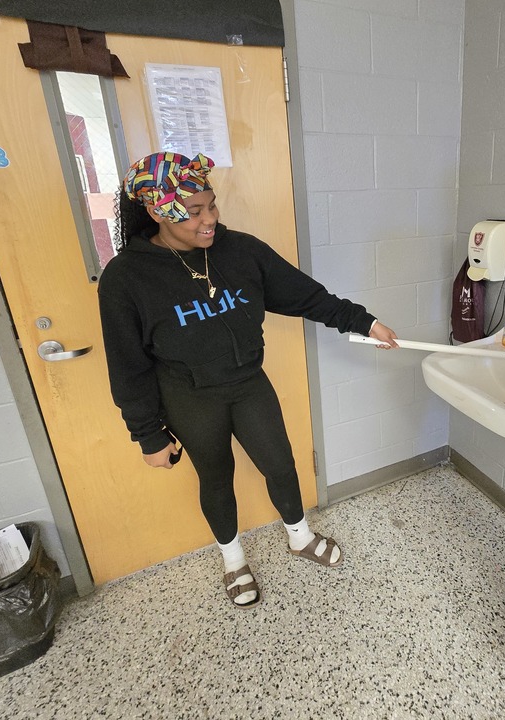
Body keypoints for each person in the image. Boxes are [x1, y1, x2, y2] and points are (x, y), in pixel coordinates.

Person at [98, 151, 398, 610]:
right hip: (189, 396)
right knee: (216, 477)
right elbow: (128, 365)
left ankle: (300, 537)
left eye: (212, 205)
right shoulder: (125, 278)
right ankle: (233, 559)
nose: (210, 219)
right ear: (158, 211)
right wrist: (148, 435)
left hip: (248, 383)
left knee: (280, 464)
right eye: (194, 211)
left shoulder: (241, 251)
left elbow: (308, 297)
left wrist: (365, 321)